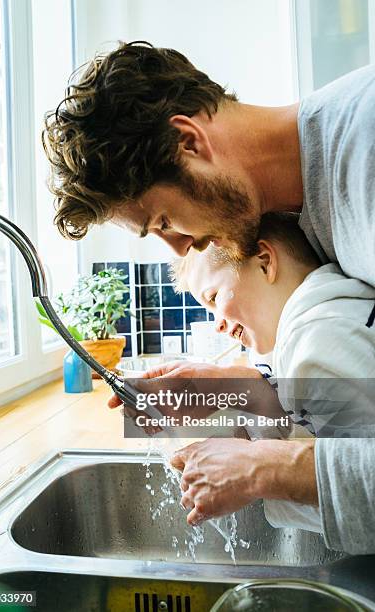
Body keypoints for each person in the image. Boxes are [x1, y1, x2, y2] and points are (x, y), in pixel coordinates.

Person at [43, 41, 375, 554]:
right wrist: (245, 389)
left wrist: (268, 468)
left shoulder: (366, 151)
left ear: (188, 141)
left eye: (162, 222)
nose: (181, 245)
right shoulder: (316, 206)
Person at [169, 211, 375, 532]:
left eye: (214, 297)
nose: (218, 324)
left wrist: (257, 470)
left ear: (265, 261)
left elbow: (363, 481)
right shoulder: (299, 327)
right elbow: (309, 419)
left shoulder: (319, 340)